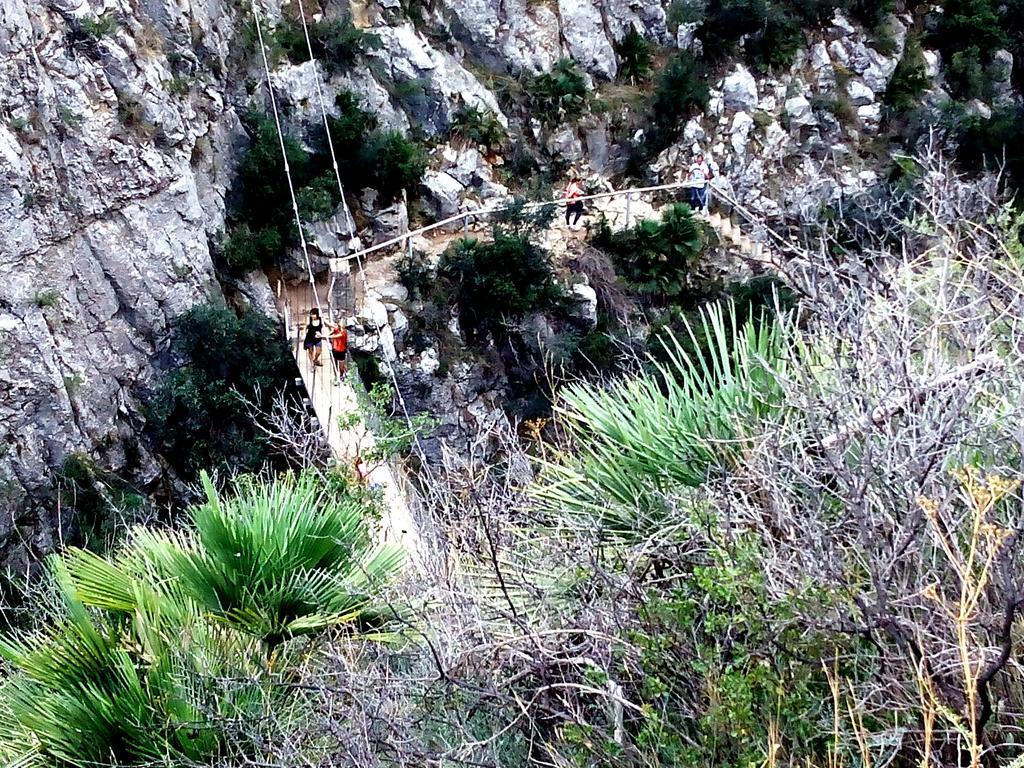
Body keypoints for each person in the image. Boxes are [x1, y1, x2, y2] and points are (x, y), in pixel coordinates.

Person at [327, 320, 349, 384]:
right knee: (335, 364)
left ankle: (341, 375)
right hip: (335, 349)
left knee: (341, 366)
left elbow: (335, 336)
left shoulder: (343, 333)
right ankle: (336, 377)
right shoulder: (336, 328)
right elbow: (329, 324)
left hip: (341, 351)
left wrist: (324, 336)